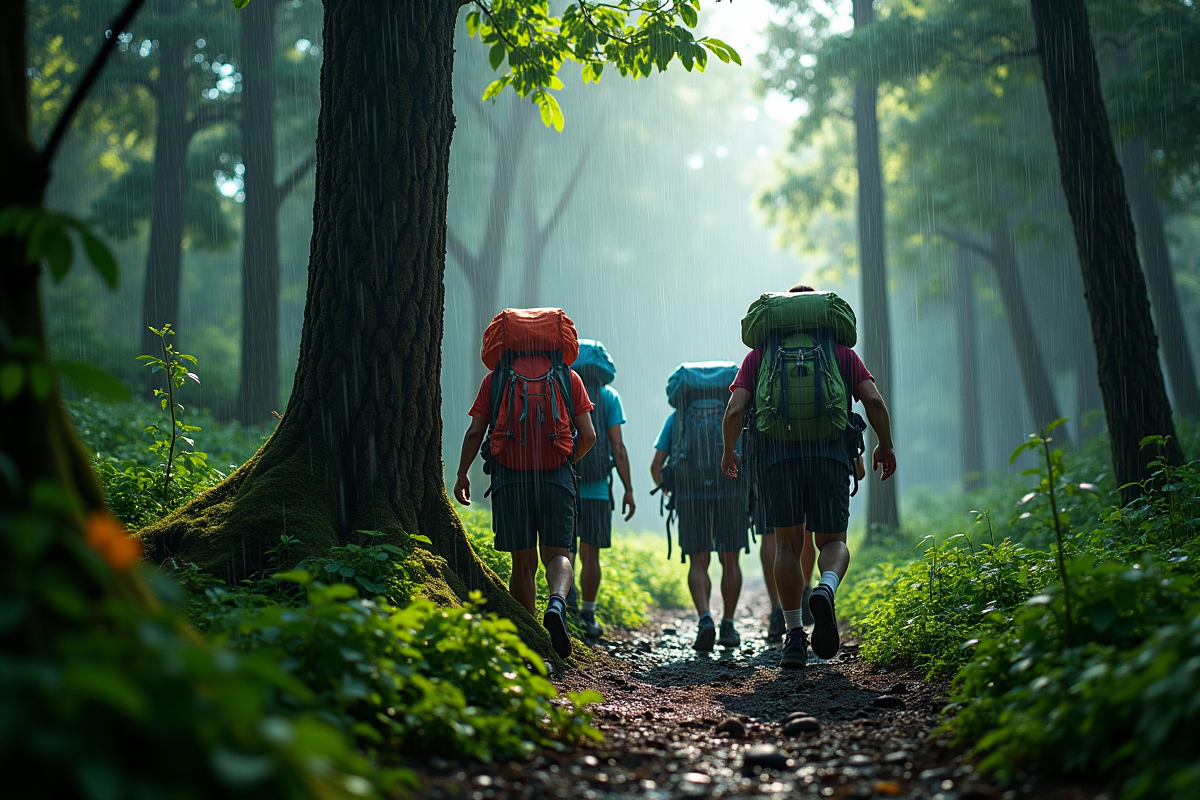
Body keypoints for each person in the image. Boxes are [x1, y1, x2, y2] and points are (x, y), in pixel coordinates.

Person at [722, 286, 896, 668]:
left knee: (786, 545)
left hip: (778, 459)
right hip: (830, 454)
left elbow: (735, 410)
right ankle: (826, 588)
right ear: (821, 314)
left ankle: (794, 636)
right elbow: (875, 401)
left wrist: (728, 450)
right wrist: (885, 444)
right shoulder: (840, 353)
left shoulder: (760, 355)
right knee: (832, 540)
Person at [453, 308, 597, 659]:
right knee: (558, 553)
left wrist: (461, 473)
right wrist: (564, 462)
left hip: (511, 478)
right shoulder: (568, 377)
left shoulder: (496, 379)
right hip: (556, 477)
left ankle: (528, 641)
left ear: (505, 343)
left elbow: (476, 431)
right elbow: (589, 435)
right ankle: (558, 605)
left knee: (523, 562)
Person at [652, 362, 748, 651]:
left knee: (698, 561)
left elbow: (656, 466)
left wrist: (672, 491)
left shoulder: (678, 418)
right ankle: (728, 625)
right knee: (730, 560)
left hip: (691, 495)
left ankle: (705, 618)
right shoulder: (732, 415)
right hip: (728, 489)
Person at [570, 339, 636, 639]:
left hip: (565, 484)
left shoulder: (562, 388)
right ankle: (588, 612)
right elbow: (618, 447)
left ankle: (563, 604)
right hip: (596, 489)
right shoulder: (608, 396)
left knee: (564, 550)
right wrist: (628, 489)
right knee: (591, 554)